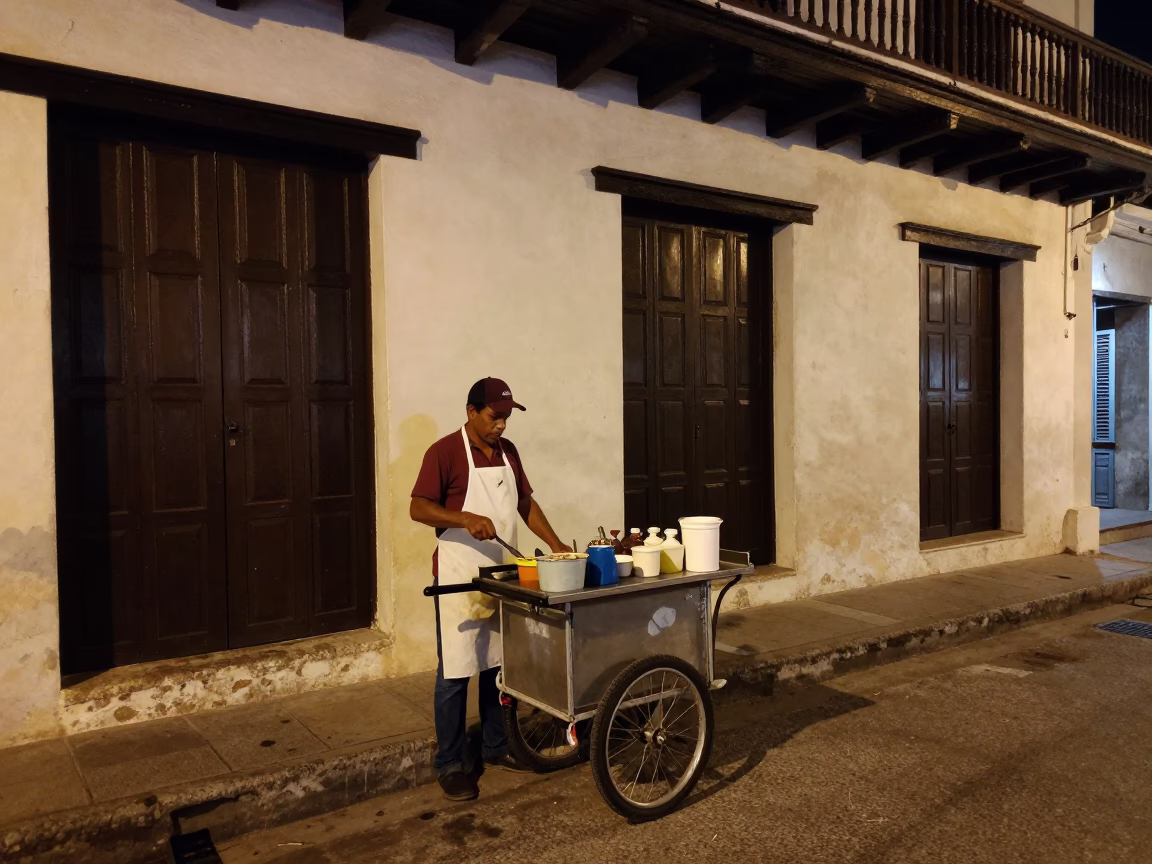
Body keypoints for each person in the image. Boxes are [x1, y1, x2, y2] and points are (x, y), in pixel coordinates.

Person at [410, 377, 570, 801]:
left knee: (499, 667)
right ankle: (449, 763)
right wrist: (464, 518)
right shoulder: (444, 452)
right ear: (472, 412)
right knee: (455, 673)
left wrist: (555, 546)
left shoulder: (508, 453)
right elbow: (418, 507)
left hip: (501, 575)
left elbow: (524, 503)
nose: (501, 425)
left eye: (505, 417)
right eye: (494, 416)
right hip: (460, 577)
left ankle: (497, 747)